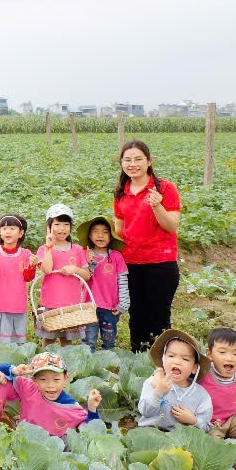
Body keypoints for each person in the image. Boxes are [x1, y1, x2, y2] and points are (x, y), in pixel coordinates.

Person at [113, 141, 182, 352]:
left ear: (149, 162)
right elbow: (119, 230)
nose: (132, 164)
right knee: (136, 315)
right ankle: (138, 357)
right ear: (122, 163)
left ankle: (162, 360)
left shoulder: (165, 189)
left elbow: (172, 225)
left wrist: (157, 205)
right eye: (127, 160)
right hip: (131, 262)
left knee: (159, 315)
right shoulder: (120, 192)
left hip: (160, 263)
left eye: (138, 159)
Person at [0, 352, 102, 437]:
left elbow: (91, 431)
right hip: (24, 444)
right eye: (43, 379)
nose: (50, 385)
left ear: (65, 380)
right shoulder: (29, 388)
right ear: (34, 380)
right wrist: (14, 370)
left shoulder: (70, 406)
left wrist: (92, 408)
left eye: (56, 379)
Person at [35, 204, 92, 345]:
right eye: (57, 224)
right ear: (49, 227)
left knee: (67, 340)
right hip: (50, 302)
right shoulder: (44, 249)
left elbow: (86, 275)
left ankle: (65, 365)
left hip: (70, 303)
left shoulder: (77, 249)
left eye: (66, 224)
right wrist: (48, 246)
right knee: (49, 338)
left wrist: (75, 269)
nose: (62, 228)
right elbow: (47, 269)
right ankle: (47, 365)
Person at [137, 329, 213, 431]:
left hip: (181, 441)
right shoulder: (153, 382)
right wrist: (158, 392)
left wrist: (193, 420)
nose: (177, 362)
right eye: (171, 356)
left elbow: (207, 427)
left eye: (185, 359)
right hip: (151, 433)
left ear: (195, 368)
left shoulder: (201, 395)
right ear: (163, 359)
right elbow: (145, 411)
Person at [0, 214, 38, 345]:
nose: (7, 231)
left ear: (21, 233)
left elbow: (28, 277)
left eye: (12, 228)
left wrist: (32, 266)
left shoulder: (26, 254)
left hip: (17, 304)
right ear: (0, 232)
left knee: (16, 343)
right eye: (4, 228)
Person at [78, 216, 129, 351]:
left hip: (110, 307)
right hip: (89, 306)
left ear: (111, 236)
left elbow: (122, 280)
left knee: (109, 339)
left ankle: (108, 365)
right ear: (89, 235)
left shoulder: (116, 256)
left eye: (105, 232)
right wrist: (90, 263)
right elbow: (84, 277)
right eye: (95, 231)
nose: (100, 235)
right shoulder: (84, 254)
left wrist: (124, 302)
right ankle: (89, 367)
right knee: (88, 340)